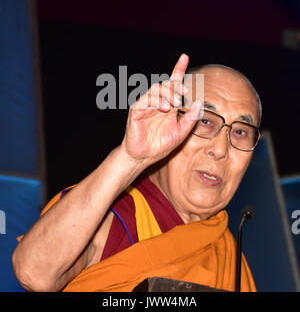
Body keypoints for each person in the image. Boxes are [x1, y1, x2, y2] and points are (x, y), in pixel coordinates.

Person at [12, 53, 261, 292]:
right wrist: (129, 159)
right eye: (205, 121)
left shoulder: (226, 252)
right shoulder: (114, 214)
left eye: (240, 132)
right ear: (171, 120)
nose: (220, 149)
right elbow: (33, 274)